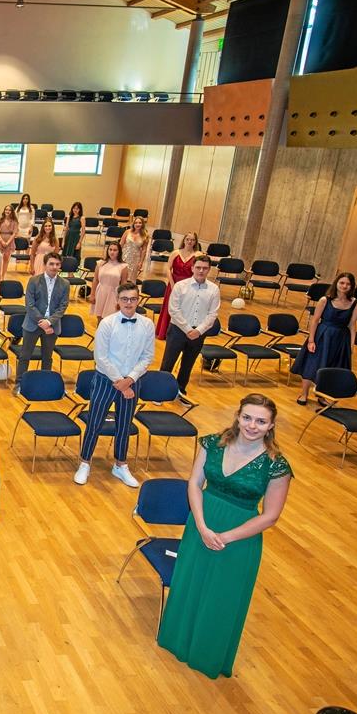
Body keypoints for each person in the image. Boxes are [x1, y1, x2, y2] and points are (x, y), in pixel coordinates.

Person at [157, 395, 292, 678]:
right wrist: (203, 526)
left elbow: (270, 516)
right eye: (247, 418)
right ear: (238, 416)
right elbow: (194, 483)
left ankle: (206, 654)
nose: (252, 426)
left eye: (260, 421)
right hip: (201, 522)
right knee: (189, 583)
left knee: (222, 598)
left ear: (271, 425)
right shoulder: (212, 443)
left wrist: (226, 537)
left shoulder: (276, 465)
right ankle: (176, 640)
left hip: (240, 537)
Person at [75, 281, 153, 488]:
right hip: (105, 380)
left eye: (133, 299)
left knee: (124, 425)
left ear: (138, 300)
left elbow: (147, 357)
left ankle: (120, 464)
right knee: (95, 422)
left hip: (132, 381)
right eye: (125, 299)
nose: (129, 303)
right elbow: (101, 357)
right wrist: (120, 382)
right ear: (118, 301)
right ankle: (84, 462)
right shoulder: (107, 323)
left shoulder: (147, 324)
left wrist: (130, 380)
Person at [291, 272, 357, 405]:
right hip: (323, 335)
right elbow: (315, 320)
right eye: (342, 283)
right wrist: (311, 340)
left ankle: (322, 396)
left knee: (331, 367)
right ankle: (304, 393)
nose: (344, 286)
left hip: (341, 338)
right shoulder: (325, 300)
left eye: (348, 284)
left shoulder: (356, 303)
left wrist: (351, 345)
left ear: (352, 286)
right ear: (336, 283)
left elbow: (352, 324)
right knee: (312, 364)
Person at [160, 254, 219, 397]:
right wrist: (187, 329)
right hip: (178, 330)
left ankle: (180, 391)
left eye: (204, 268)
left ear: (209, 270)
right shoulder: (180, 286)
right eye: (198, 267)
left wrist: (198, 331)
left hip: (198, 333)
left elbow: (213, 314)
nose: (201, 271)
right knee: (168, 362)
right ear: (192, 268)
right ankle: (160, 391)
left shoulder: (214, 289)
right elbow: (173, 309)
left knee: (187, 365)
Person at [14, 252, 68, 393]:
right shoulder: (34, 280)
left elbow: (63, 306)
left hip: (52, 326)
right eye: (51, 264)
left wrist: (49, 322)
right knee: (25, 356)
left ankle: (45, 385)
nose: (54, 267)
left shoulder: (65, 284)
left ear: (60, 265)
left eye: (57, 264)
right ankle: (19, 384)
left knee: (47, 357)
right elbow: (30, 305)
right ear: (45, 265)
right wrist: (42, 322)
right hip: (33, 324)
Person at [155, 231, 201, 340]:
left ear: (195, 242)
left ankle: (181, 333)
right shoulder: (176, 253)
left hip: (189, 285)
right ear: (184, 240)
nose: (190, 242)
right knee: (170, 308)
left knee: (185, 308)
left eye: (192, 240)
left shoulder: (198, 255)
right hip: (174, 283)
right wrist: (172, 284)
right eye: (188, 239)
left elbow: (199, 270)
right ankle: (164, 332)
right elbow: (168, 268)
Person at [90, 241, 129, 322]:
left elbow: (123, 284)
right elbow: (95, 280)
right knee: (99, 319)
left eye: (115, 250)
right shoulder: (100, 263)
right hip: (101, 292)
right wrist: (92, 294)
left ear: (119, 252)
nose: (112, 252)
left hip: (114, 294)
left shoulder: (123, 266)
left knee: (110, 319)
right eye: (110, 249)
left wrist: (121, 300)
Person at [121, 215, 150, 282]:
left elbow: (144, 250)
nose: (138, 224)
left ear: (142, 224)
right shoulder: (127, 232)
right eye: (136, 223)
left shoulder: (145, 235)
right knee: (121, 275)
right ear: (133, 224)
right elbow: (121, 244)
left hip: (135, 258)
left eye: (140, 223)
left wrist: (141, 262)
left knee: (131, 278)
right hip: (124, 256)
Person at [0, 206, 18, 282]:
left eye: (9, 210)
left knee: (6, 259)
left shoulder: (14, 221)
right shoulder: (0, 220)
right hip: (0, 240)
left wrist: (8, 242)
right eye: (6, 210)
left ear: (12, 212)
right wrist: (1, 241)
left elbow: (14, 233)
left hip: (9, 241)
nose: (7, 211)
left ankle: (3, 276)